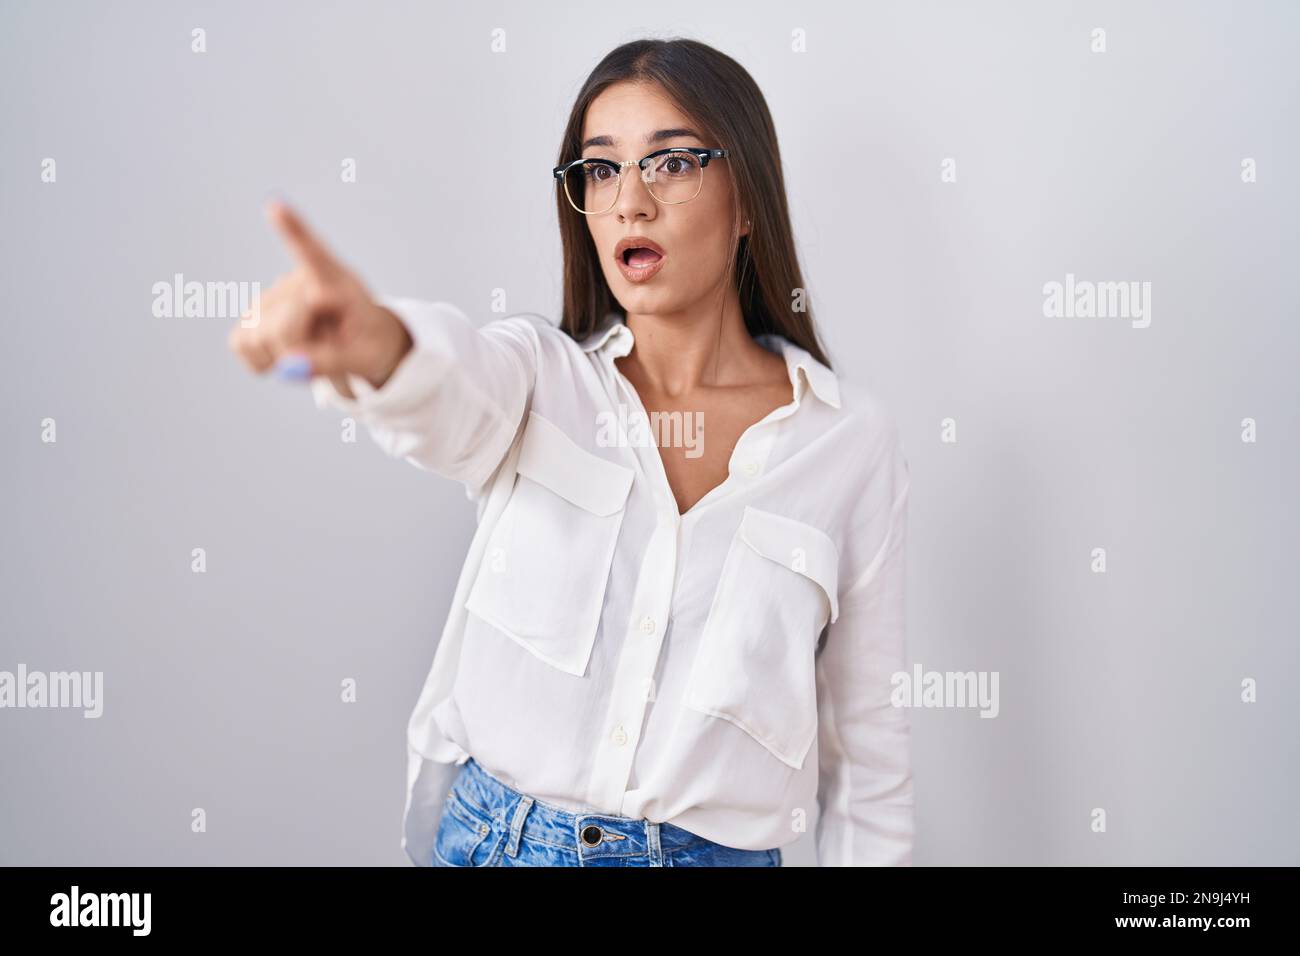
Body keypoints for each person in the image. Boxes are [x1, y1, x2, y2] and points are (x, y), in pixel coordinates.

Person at [229, 37, 912, 867]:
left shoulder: (845, 442)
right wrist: (377, 341)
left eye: (672, 163)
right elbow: (448, 389)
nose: (630, 202)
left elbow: (866, 748)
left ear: (748, 203)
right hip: (495, 843)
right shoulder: (539, 380)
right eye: (600, 169)